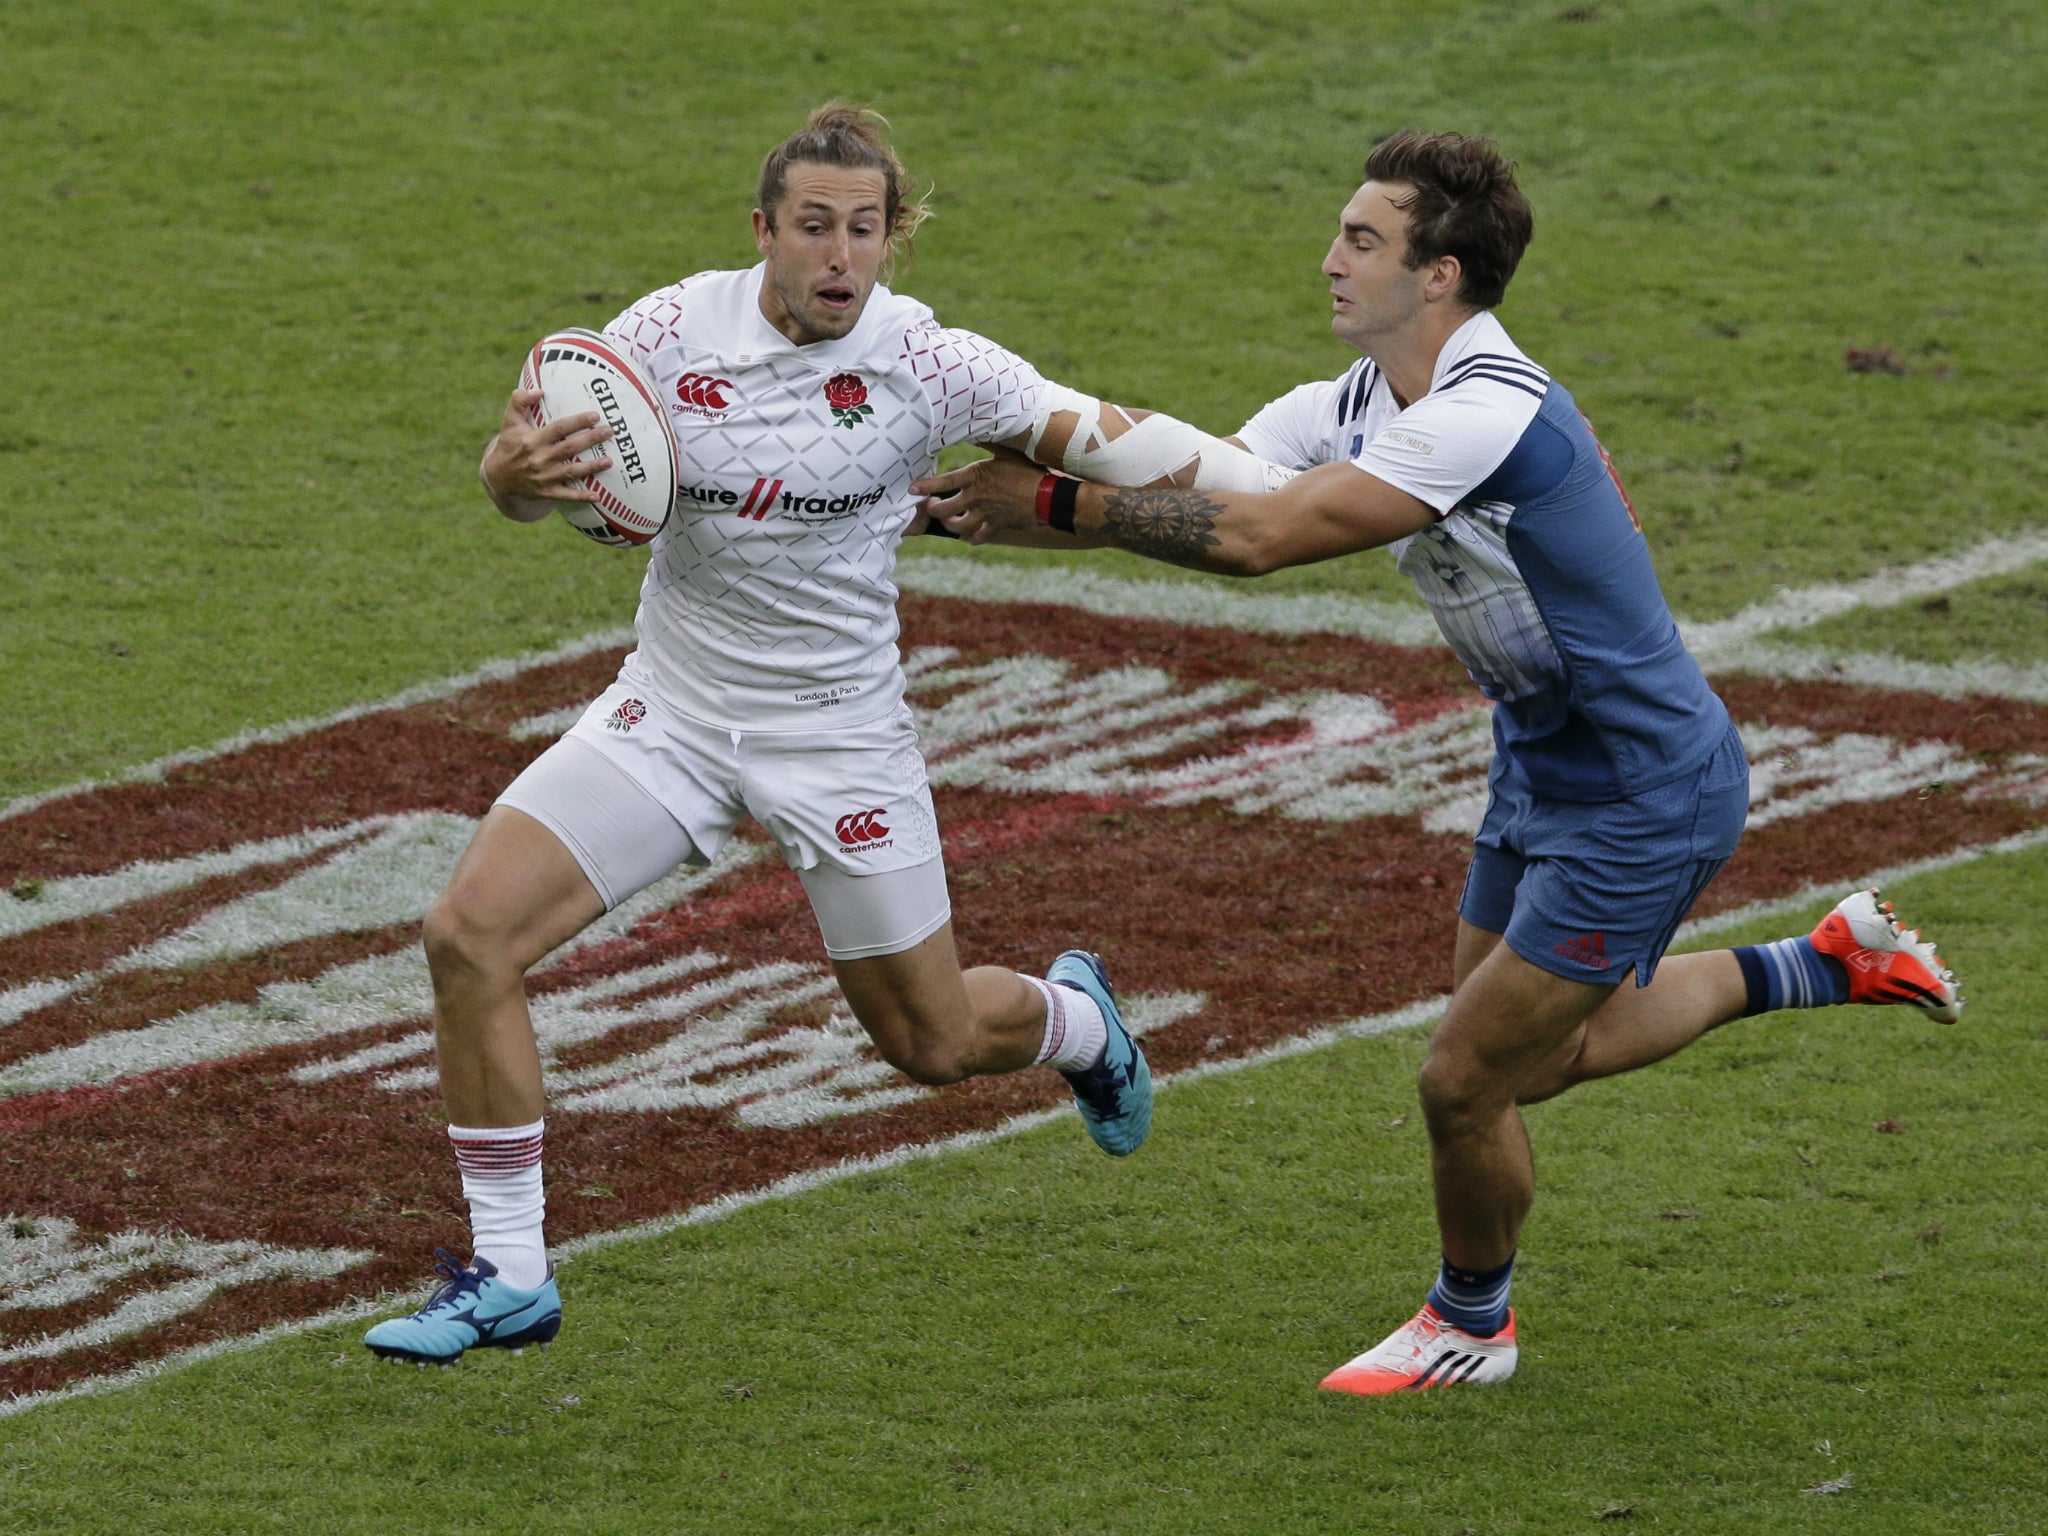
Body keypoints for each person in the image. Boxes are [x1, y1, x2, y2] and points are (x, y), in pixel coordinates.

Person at [913, 130, 1963, 1394]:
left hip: (1646, 788)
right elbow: (1200, 488)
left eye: (1361, 241)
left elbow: (1258, 541)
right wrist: (1000, 490)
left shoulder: (1487, 410)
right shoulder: (1352, 403)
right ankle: (1825, 961)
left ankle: (1471, 1322)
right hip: (1539, 769)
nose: (1327, 261)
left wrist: (1062, 504)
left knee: (1463, 1081)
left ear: (1441, 275)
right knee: (1542, 1058)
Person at [361, 104, 1282, 1367]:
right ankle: (509, 1272)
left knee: (931, 1043)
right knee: (466, 934)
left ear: (892, 239)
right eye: (813, 229)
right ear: (763, 233)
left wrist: (1294, 491)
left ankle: (1076, 1023)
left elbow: (1126, 442)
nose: (839, 257)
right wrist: (509, 481)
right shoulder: (660, 337)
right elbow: (528, 465)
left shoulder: (935, 365)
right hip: (670, 714)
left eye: (864, 230)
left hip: (839, 738)